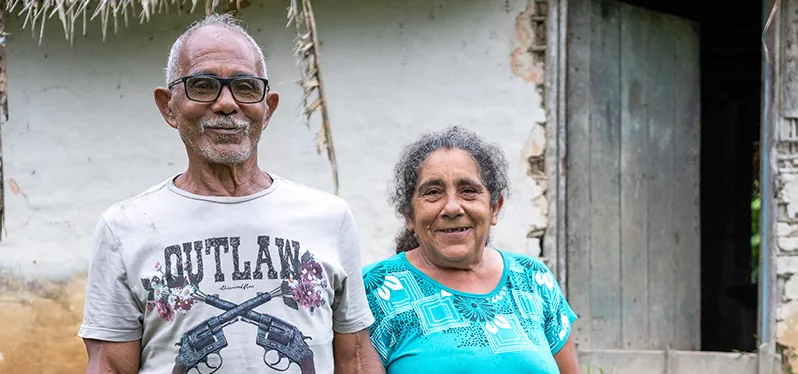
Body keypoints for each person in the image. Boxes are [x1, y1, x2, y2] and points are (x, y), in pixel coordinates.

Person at [78, 14, 384, 374]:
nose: (226, 103)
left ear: (267, 109)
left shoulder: (329, 216)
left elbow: (356, 358)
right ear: (168, 106)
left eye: (245, 87)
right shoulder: (123, 227)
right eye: (203, 85)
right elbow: (110, 366)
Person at [361, 126, 581, 373]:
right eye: (433, 192)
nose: (452, 208)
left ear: (495, 208)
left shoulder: (533, 280)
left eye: (468, 191)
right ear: (409, 215)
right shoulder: (374, 290)